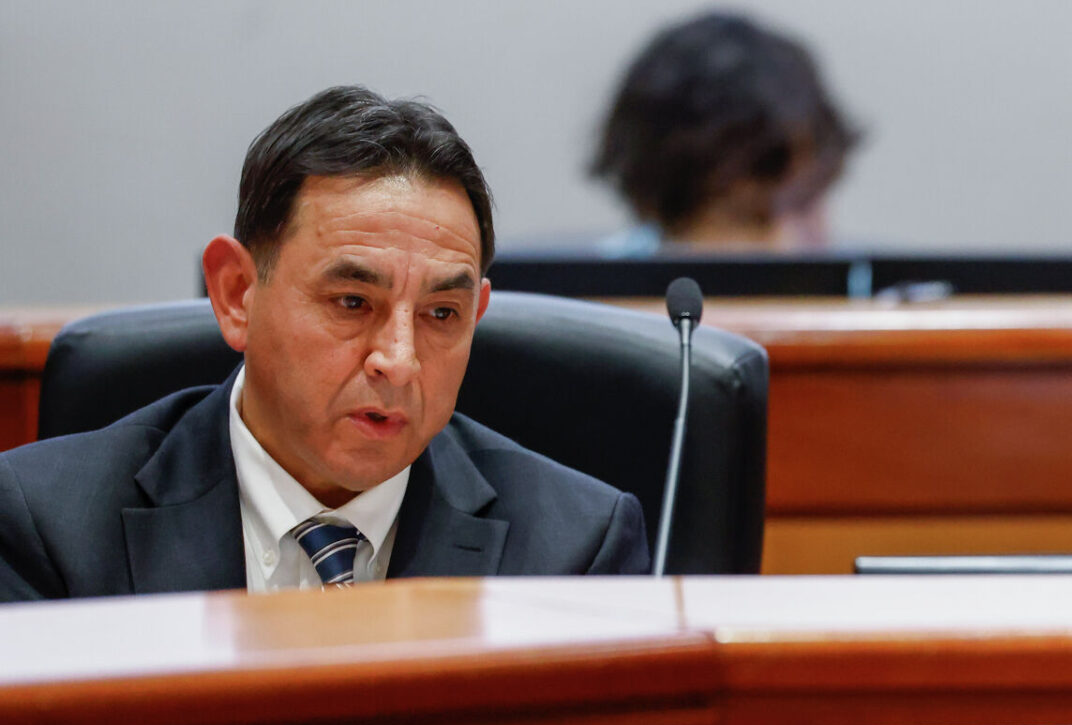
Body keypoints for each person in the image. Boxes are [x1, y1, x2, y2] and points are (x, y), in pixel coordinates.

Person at [0, 86, 650, 601]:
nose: (398, 360)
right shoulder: (46, 528)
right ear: (235, 294)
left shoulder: (575, 553)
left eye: (442, 314)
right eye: (352, 303)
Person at [590, 11, 860, 253]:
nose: (786, 243)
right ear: (659, 215)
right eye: (747, 218)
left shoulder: (870, 300)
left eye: (804, 205)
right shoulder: (589, 300)